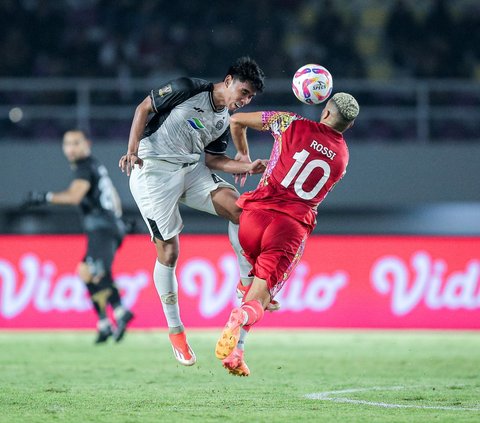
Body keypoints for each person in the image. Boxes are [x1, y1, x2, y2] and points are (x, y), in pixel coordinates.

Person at [118, 56, 269, 367]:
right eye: (243, 92)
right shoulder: (187, 88)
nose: (244, 101)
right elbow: (143, 108)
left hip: (190, 169)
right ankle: (176, 332)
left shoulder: (224, 118)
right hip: (152, 169)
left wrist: (246, 167)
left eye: (251, 98)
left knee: (242, 209)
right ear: (228, 80)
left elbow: (214, 160)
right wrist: (131, 151)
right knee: (169, 252)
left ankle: (245, 283)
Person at [215, 92, 360, 376]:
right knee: (260, 299)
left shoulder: (288, 122)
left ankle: (237, 353)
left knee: (251, 286)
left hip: (252, 217)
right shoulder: (343, 159)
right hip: (288, 230)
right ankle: (243, 315)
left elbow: (236, 119)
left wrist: (243, 154)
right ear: (349, 126)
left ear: (326, 113)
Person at [24, 130, 134, 344]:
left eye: (76, 143)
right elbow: (111, 194)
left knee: (98, 273)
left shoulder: (84, 166)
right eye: (67, 144)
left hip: (102, 227)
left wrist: (44, 197)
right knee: (86, 272)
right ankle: (104, 322)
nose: (71, 148)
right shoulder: (94, 165)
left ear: (87, 144)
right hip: (107, 226)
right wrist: (118, 219)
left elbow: (75, 196)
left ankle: (120, 311)